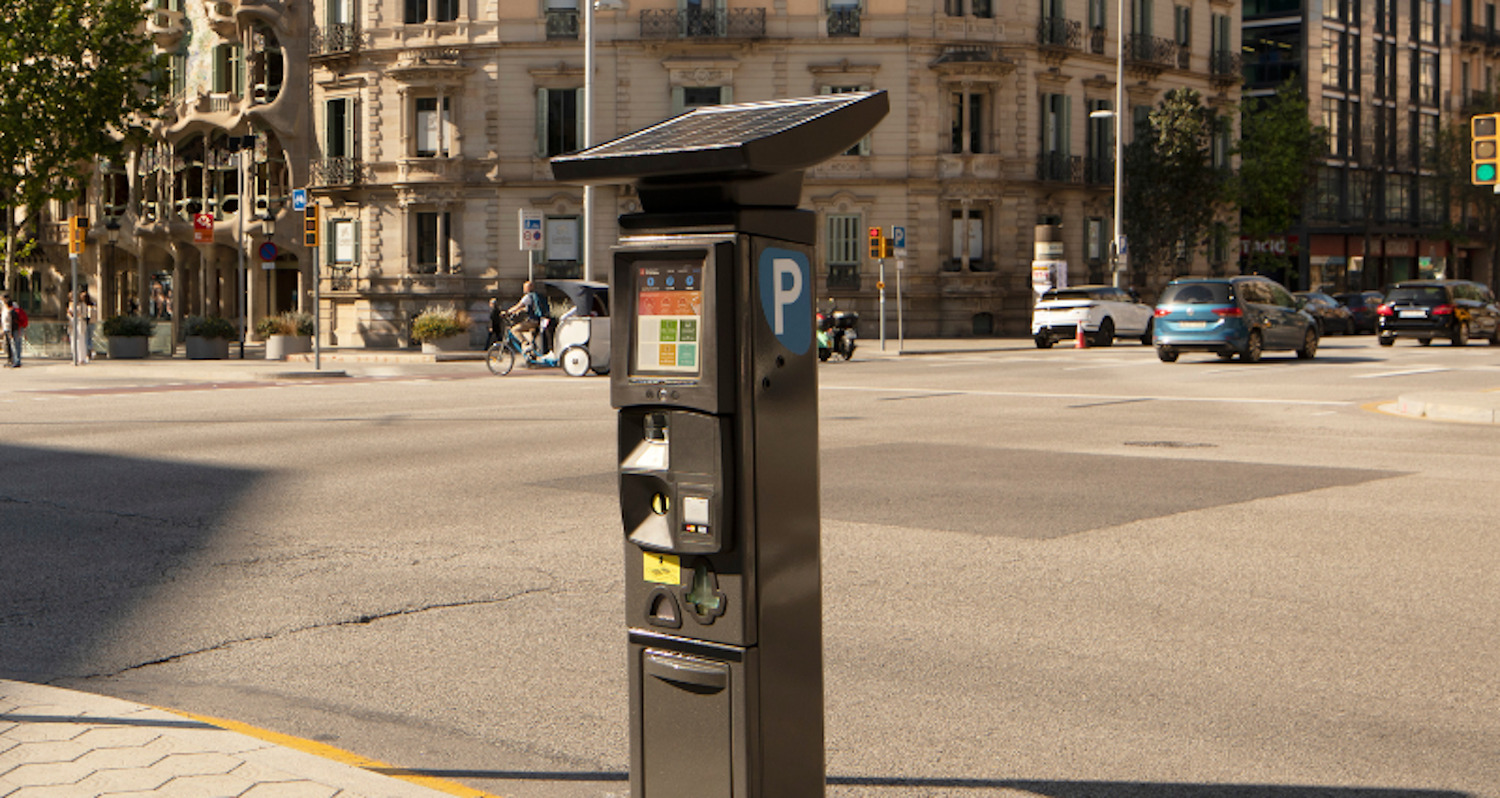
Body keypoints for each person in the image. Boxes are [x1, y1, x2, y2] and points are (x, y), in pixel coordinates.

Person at [504, 281, 550, 356]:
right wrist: (518, 311)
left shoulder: (528, 296)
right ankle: (531, 356)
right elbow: (527, 308)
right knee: (532, 340)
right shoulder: (536, 296)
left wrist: (508, 312)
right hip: (539, 321)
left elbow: (518, 305)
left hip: (532, 321)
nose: (523, 289)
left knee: (514, 330)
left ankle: (525, 343)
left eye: (524, 287)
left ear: (528, 288)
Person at [2, 295, 20, 368]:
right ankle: (12, 359)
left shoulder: (10, 311)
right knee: (9, 345)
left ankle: (15, 360)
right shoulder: (5, 309)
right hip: (7, 329)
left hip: (10, 329)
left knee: (13, 345)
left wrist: (11, 332)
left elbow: (11, 322)